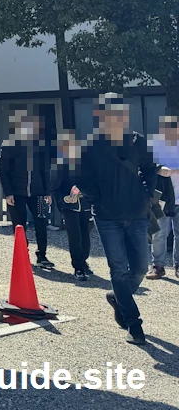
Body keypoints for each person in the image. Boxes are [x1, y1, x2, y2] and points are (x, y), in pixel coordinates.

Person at [79, 94, 158, 345]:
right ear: (101, 116)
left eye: (123, 113)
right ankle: (134, 324)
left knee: (140, 269)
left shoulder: (137, 141)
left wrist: (146, 195)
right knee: (118, 269)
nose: (120, 117)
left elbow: (150, 168)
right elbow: (82, 178)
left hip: (137, 214)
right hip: (107, 217)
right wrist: (98, 200)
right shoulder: (91, 145)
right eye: (114, 113)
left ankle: (117, 298)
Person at [0, 111, 55, 269]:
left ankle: (42, 255)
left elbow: (45, 169)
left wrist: (47, 192)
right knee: (19, 224)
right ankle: (22, 255)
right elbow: (3, 171)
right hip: (16, 193)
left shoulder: (39, 145)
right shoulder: (9, 145)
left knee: (41, 221)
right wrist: (8, 192)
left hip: (37, 193)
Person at [54, 130, 92, 281]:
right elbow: (55, 188)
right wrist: (64, 199)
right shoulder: (60, 165)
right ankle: (78, 267)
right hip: (70, 207)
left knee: (86, 237)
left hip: (86, 205)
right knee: (75, 236)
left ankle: (83, 260)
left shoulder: (87, 163)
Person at [146, 116, 179, 279]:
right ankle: (158, 265)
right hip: (161, 197)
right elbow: (145, 168)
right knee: (159, 232)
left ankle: (178, 265)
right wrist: (158, 170)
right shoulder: (154, 147)